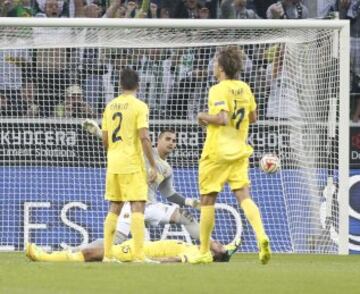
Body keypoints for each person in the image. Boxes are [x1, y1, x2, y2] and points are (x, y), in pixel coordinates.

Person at [192, 46, 271, 264]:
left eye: (216, 63)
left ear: (222, 67)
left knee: (207, 200)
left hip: (217, 151)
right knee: (244, 197)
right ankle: (262, 237)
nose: (213, 67)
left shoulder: (218, 89)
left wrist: (202, 115)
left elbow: (222, 119)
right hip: (239, 151)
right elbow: (253, 117)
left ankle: (204, 252)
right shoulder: (245, 88)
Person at [81, 123, 201, 244]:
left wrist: (189, 202)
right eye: (168, 139)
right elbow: (121, 145)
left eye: (174, 141)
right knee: (115, 241)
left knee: (185, 219)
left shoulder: (167, 169)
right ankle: (77, 252)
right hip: (131, 203)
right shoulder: (144, 151)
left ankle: (209, 247)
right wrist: (98, 132)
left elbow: (169, 194)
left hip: (150, 206)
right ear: (158, 141)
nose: (171, 143)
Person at [101, 67, 157, 262]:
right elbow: (144, 137)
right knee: (138, 206)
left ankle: (107, 255)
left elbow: (105, 140)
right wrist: (153, 165)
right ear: (138, 85)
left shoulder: (110, 106)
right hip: (132, 163)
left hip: (113, 163)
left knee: (114, 207)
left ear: (120, 85)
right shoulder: (140, 106)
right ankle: (140, 256)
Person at [25, 238, 241, 263]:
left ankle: (42, 256)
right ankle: (48, 254)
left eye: (219, 245)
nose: (217, 241)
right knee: (95, 249)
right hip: (138, 245)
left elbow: (176, 259)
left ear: (215, 254)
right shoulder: (198, 247)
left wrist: (149, 261)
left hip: (138, 251)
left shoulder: (198, 254)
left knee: (93, 254)